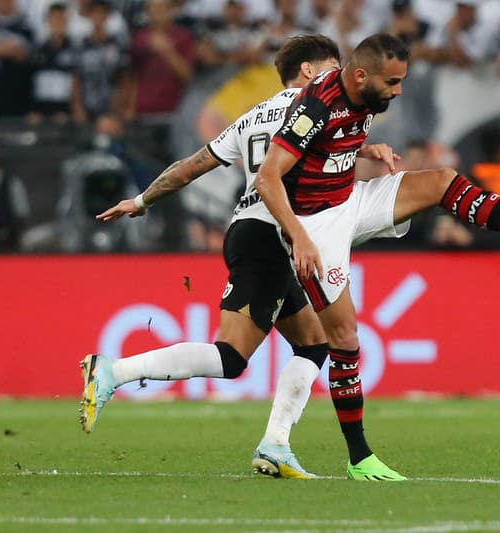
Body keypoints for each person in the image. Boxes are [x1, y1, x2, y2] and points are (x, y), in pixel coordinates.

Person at [253, 33, 500, 477]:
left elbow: (325, 145)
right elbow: (267, 177)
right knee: (345, 339)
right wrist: (297, 236)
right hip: (314, 225)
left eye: (402, 81)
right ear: (360, 75)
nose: (398, 91)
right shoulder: (316, 103)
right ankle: (359, 457)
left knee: (441, 181)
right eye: (392, 82)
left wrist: (361, 149)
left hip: (348, 199)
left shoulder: (364, 99)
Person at [81, 35, 352, 480]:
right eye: (332, 68)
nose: (338, 79)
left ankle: (276, 445)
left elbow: (192, 165)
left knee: (313, 343)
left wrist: (143, 199)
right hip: (269, 234)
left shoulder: (253, 117)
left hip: (254, 230)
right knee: (230, 357)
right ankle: (113, 370)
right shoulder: (317, 112)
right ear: (309, 72)